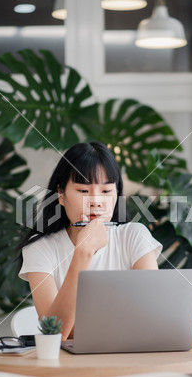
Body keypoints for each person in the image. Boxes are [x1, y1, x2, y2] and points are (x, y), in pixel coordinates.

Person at [18, 141, 163, 339]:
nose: (95, 201)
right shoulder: (39, 248)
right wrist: (83, 253)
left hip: (131, 361)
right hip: (69, 367)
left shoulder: (135, 236)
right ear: (61, 195)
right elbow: (55, 334)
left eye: (105, 191)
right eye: (83, 191)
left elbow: (151, 319)